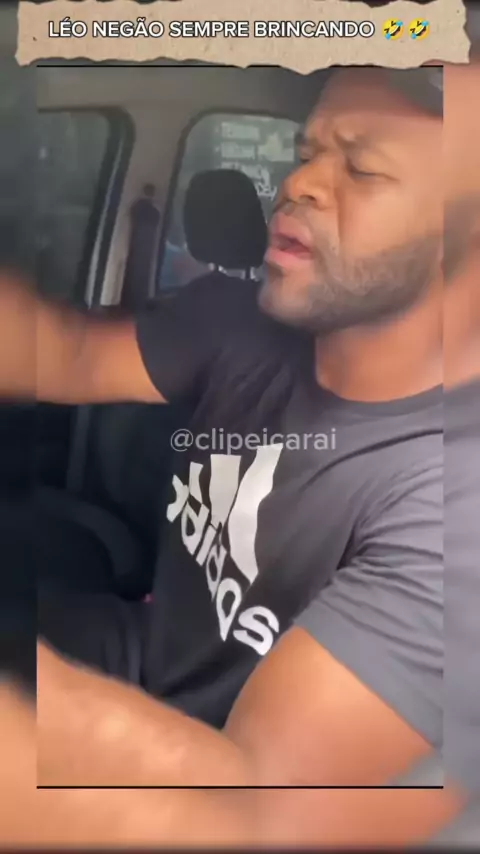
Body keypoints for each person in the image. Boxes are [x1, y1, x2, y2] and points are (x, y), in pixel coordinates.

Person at [0, 67, 471, 843]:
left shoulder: (453, 505)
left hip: (211, 768)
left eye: (362, 167)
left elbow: (248, 808)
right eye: (307, 152)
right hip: (141, 654)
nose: (299, 184)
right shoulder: (241, 320)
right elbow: (70, 354)